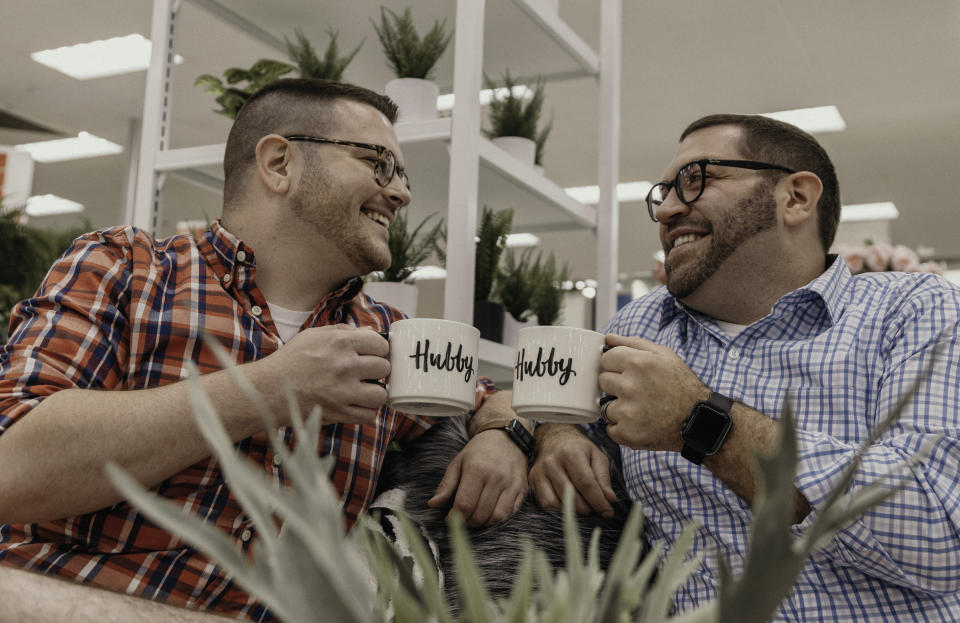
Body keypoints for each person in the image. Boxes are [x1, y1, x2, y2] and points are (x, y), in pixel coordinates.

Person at [0, 79, 529, 621]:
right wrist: (270, 388)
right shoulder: (126, 268)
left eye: (402, 175)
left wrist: (501, 434)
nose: (400, 193)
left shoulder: (391, 338)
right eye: (378, 163)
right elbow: (12, 471)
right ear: (279, 163)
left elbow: (494, 398)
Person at [529, 114, 960, 621]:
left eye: (695, 180)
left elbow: (940, 532)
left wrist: (701, 421)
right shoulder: (641, 321)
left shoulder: (913, 308)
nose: (667, 209)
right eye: (663, 192)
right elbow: (543, 401)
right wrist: (553, 434)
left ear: (796, 197)